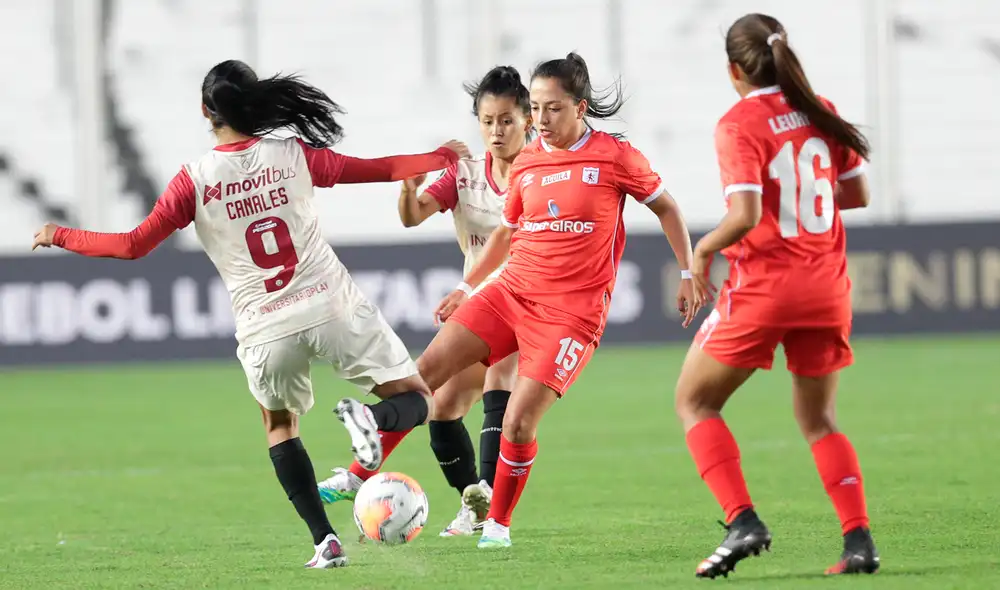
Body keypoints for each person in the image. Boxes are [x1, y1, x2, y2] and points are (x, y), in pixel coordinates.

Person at [30, 59, 470, 569]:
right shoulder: (291, 155)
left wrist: (60, 234)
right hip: (331, 305)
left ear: (205, 111)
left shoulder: (193, 181)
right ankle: (370, 417)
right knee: (415, 397)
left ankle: (324, 542)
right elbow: (380, 170)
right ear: (255, 102)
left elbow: (131, 246)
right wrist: (437, 157)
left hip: (265, 327)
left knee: (281, 427)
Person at [343, 52, 706, 549]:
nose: (541, 121)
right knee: (422, 376)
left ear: (580, 108)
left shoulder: (615, 156)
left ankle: (497, 523)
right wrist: (468, 287)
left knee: (517, 419)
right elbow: (507, 234)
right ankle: (357, 471)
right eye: (535, 108)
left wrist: (687, 270)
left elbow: (665, 205)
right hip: (510, 293)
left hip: (570, 315)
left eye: (552, 109)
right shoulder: (530, 163)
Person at [674, 14, 880, 579]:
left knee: (695, 402)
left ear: (734, 69)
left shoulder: (739, 123)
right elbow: (856, 193)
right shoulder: (821, 108)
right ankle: (858, 541)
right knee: (820, 420)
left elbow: (745, 215)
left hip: (766, 288)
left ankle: (743, 520)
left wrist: (701, 251)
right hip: (827, 288)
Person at [317, 66, 531, 537]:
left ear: (527, 121)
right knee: (440, 405)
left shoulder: (539, 174)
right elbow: (413, 218)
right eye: (488, 120)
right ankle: (474, 506)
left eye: (507, 120)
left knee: (501, 381)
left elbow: (510, 245)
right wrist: (408, 189)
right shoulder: (465, 173)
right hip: (480, 305)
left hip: (524, 301)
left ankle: (492, 515)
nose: (497, 130)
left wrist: (469, 289)